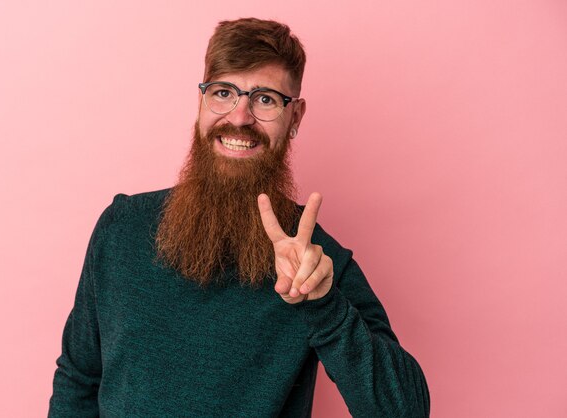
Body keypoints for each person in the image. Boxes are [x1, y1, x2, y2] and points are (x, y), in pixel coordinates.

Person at [48, 17, 430, 418]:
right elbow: (79, 378)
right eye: (224, 92)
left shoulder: (316, 264)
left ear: (295, 117)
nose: (240, 117)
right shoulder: (121, 227)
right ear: (201, 102)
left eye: (265, 99)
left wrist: (323, 305)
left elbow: (405, 411)